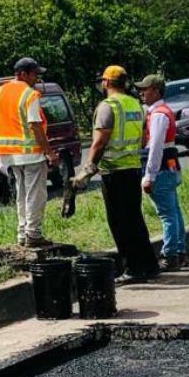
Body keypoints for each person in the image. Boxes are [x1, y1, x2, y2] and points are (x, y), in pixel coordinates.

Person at [72, 65, 159, 280]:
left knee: (119, 222)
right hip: (132, 167)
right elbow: (141, 138)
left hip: (114, 171)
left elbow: (99, 141)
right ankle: (149, 265)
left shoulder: (107, 106)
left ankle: (132, 268)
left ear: (106, 83)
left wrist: (88, 166)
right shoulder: (136, 105)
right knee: (135, 219)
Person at [0, 57, 54, 248]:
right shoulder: (29, 94)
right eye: (34, 74)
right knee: (36, 194)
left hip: (9, 154)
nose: (37, 78)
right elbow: (35, 125)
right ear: (23, 74)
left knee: (22, 193)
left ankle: (22, 234)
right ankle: (33, 234)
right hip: (31, 153)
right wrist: (49, 152)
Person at [135, 74, 188, 271]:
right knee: (174, 212)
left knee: (167, 215)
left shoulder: (158, 115)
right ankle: (180, 252)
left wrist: (149, 176)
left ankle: (170, 255)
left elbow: (155, 148)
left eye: (145, 89)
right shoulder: (163, 111)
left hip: (162, 169)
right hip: (171, 166)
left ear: (156, 91)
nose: (141, 93)